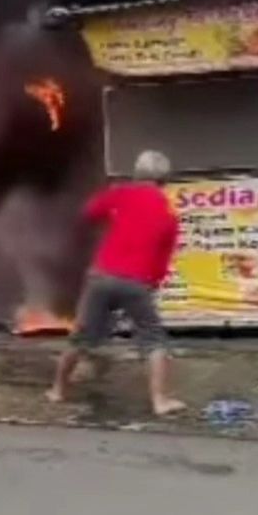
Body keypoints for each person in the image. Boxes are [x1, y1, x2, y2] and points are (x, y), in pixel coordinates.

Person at [47, 150, 186, 416]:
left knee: (81, 339)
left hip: (102, 277)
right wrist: (153, 283)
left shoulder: (120, 193)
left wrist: (112, 218)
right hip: (137, 283)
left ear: (137, 173)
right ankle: (160, 402)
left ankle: (58, 391)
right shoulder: (169, 212)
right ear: (164, 179)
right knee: (154, 341)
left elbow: (89, 212)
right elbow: (163, 257)